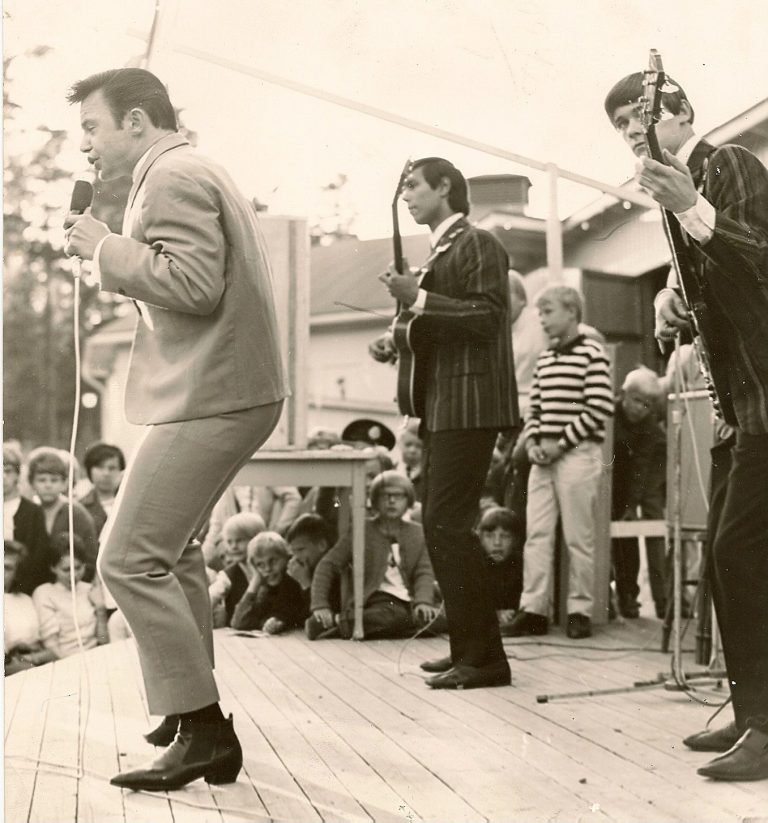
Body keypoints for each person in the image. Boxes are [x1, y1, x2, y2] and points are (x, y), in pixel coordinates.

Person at [64, 67, 288, 791]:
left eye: (92, 128)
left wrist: (103, 247)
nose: (85, 146)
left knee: (126, 556)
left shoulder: (169, 177)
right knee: (177, 549)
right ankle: (190, 709)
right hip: (231, 388)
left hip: (214, 392)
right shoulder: (186, 167)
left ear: (135, 121)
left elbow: (193, 285)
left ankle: (204, 725)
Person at [605, 69, 768, 781]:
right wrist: (674, 298)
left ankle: (764, 724)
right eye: (619, 123)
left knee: (737, 553)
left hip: (761, 395)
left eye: (641, 115)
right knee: (728, 561)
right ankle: (751, 709)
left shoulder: (724, 164)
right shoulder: (681, 189)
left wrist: (694, 206)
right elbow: (720, 280)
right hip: (742, 401)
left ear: (683, 112)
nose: (631, 128)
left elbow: (760, 257)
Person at [369, 157, 518, 688]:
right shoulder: (444, 250)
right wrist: (401, 339)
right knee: (443, 525)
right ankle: (469, 651)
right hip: (447, 405)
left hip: (471, 404)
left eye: (414, 186)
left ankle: (484, 661)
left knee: (447, 525)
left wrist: (419, 298)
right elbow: (442, 326)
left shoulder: (477, 243)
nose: (407, 196)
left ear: (445, 187)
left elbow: (487, 316)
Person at [504, 286, 613, 640]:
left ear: (571, 312)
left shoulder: (592, 354)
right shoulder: (546, 359)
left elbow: (599, 407)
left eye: (548, 311)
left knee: (578, 538)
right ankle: (533, 608)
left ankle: (579, 609)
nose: (542, 318)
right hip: (544, 458)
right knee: (537, 534)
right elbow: (534, 407)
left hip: (577, 456)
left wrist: (560, 444)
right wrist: (534, 441)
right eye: (540, 312)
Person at [308, 471, 441, 640]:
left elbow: (424, 571)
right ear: (375, 500)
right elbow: (327, 565)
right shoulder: (361, 530)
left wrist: (423, 601)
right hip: (376, 598)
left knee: (441, 618)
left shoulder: (418, 533)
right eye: (385, 496)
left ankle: (340, 625)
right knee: (394, 616)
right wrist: (320, 605)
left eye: (398, 496)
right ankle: (336, 622)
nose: (392, 501)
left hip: (409, 599)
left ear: (408, 500)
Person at [611, 367, 667, 619]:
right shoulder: (608, 414)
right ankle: (610, 595)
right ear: (623, 394)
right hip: (611, 474)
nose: (639, 409)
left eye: (646, 405)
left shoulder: (650, 428)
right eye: (636, 401)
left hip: (641, 474)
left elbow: (643, 466)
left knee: (629, 534)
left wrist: (631, 506)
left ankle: (631, 594)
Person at [31, 533, 110, 659]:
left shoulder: (89, 589)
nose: (73, 575)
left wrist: (100, 609)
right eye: (66, 570)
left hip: (96, 657)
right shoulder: (44, 593)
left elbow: (103, 641)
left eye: (78, 568)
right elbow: (51, 645)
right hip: (65, 662)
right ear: (53, 568)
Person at [27, 447, 99, 581]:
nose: (48, 485)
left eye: (54, 480)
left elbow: (90, 557)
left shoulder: (76, 513)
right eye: (42, 480)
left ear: (64, 483)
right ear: (32, 483)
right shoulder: (29, 512)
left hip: (71, 583)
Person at [201, 483, 302, 570]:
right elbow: (215, 530)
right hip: (239, 550)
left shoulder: (262, 468)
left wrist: (276, 531)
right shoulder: (225, 485)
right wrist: (200, 563)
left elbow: (293, 498)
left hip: (265, 546)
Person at [230, 532, 307, 633]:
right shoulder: (264, 588)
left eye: (273, 561)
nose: (267, 569)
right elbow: (238, 622)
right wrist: (255, 581)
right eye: (260, 564)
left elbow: (295, 612)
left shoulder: (295, 582)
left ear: (287, 557)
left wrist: (280, 621)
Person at [4, 442, 53, 594]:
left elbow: (39, 558)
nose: (3, 476)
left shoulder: (32, 512)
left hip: (23, 591)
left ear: (17, 475)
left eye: (8, 471)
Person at [4, 540, 56, 674]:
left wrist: (34, 657)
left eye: (7, 568)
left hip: (32, 662)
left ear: (17, 573)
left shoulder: (25, 600)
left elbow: (46, 648)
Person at [208, 512, 266, 627]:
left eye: (239, 540)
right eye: (229, 542)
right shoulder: (227, 576)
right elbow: (211, 597)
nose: (234, 546)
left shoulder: (270, 568)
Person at [285, 513, 340, 627]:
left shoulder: (334, 570)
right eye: (293, 552)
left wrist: (305, 583)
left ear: (322, 545)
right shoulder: (302, 568)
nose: (296, 557)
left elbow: (326, 615)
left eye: (300, 550)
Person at [477, 506, 524, 627]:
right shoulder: (474, 565)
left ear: (515, 540)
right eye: (490, 536)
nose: (497, 543)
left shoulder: (520, 566)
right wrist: (495, 614)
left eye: (505, 536)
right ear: (480, 539)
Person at [78, 441, 126, 537]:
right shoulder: (80, 507)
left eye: (112, 468)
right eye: (100, 467)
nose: (106, 473)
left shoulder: (129, 503)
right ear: (89, 470)